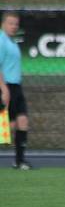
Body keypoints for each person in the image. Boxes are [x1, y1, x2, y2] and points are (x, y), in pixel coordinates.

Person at [0, 11, 32, 170]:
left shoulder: (12, 42)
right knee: (6, 127)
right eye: (10, 23)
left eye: (16, 24)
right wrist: (3, 88)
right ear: (3, 24)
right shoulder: (0, 40)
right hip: (5, 86)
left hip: (16, 87)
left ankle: (19, 161)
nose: (14, 27)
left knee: (23, 121)